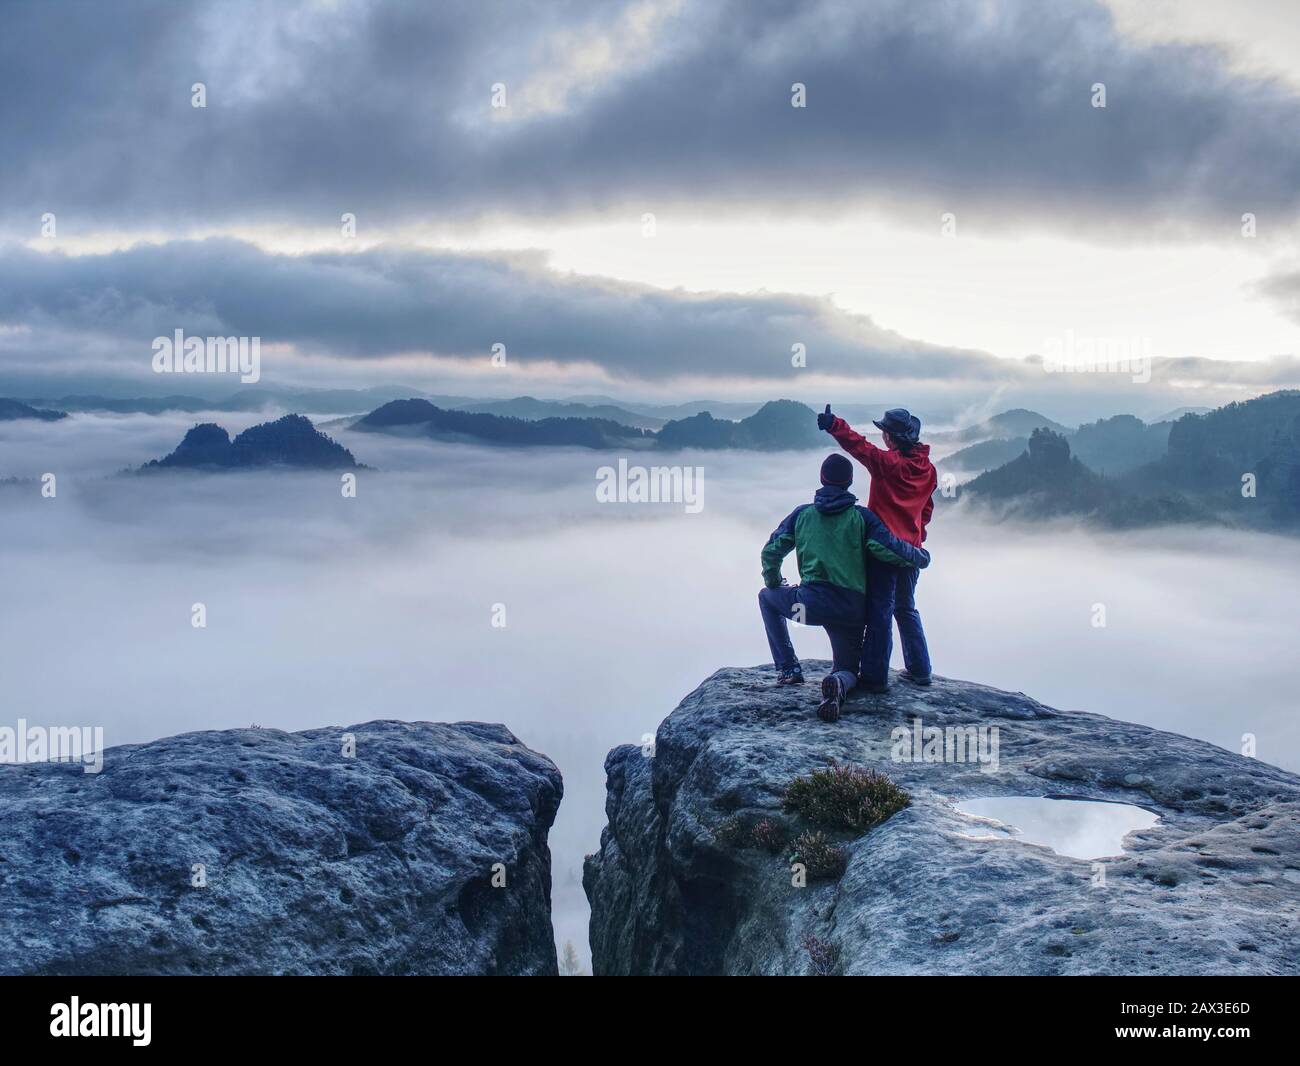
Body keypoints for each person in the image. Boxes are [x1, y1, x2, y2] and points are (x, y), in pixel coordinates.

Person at [760, 453, 930, 722]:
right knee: (848, 667)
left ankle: (789, 669)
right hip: (850, 610)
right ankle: (839, 682)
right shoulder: (862, 518)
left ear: (821, 479)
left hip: (808, 606)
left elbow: (771, 551)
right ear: (850, 483)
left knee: (766, 598)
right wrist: (921, 557)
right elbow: (889, 549)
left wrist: (774, 582)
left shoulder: (802, 515)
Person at [817, 405, 937, 693]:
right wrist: (916, 535)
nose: (882, 437)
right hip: (910, 551)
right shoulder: (928, 470)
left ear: (891, 438)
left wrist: (834, 424)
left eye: (885, 432)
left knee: (880, 612)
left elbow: (860, 447)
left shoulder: (888, 465)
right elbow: (927, 509)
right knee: (906, 608)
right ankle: (921, 670)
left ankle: (874, 676)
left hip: (882, 550)